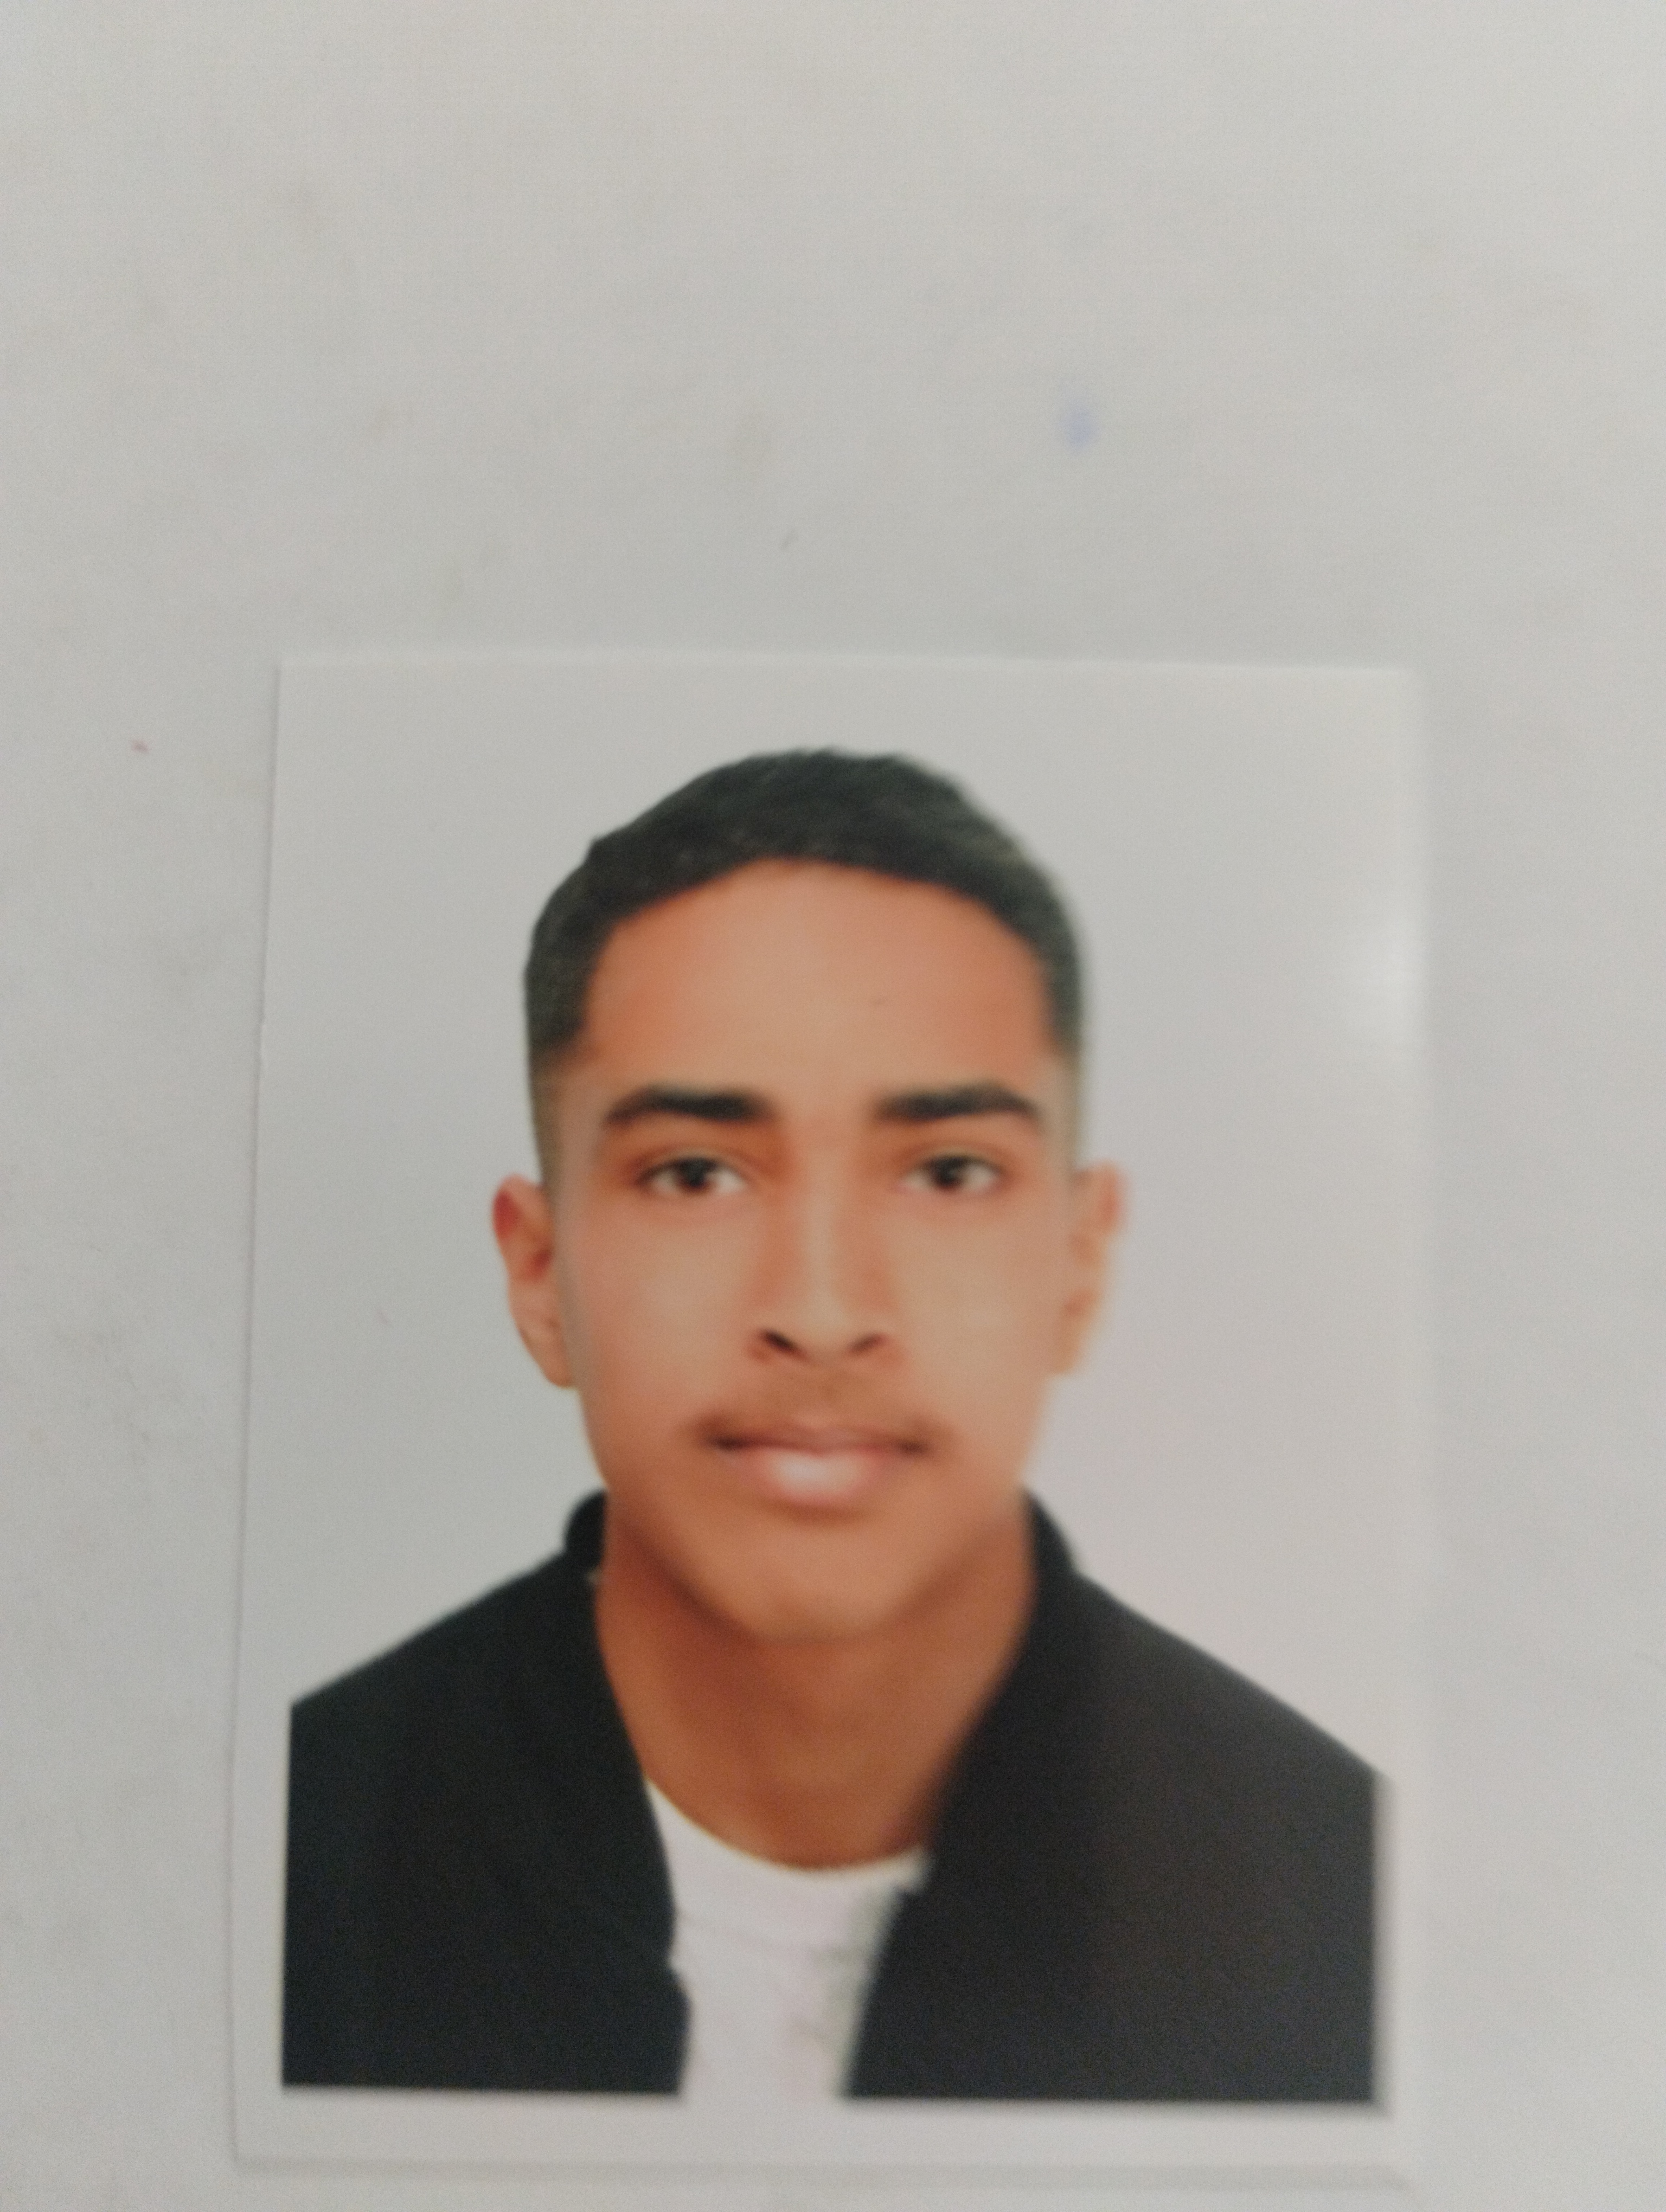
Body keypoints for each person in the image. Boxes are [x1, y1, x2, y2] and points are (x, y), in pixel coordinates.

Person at [283, 750, 1374, 2103]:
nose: (819, 1311)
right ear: (539, 1274)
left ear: (1080, 1265)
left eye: (948, 1172)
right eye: (696, 1174)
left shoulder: (1351, 1919)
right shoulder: (287, 1859)